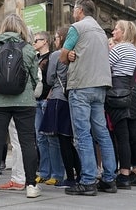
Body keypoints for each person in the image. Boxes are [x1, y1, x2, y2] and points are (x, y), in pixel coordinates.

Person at [59, 0, 116, 196]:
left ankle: (88, 180)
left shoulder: (76, 27)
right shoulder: (102, 31)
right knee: (102, 133)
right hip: (100, 86)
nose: (73, 12)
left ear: (80, 10)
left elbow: (62, 56)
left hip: (81, 85)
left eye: (74, 9)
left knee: (82, 134)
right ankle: (109, 179)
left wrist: (70, 54)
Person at [0, 14, 40, 199]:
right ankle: (30, 185)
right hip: (25, 102)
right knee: (28, 142)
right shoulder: (29, 49)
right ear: (21, 28)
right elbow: (35, 77)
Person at [105, 20, 136, 189]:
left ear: (123, 32)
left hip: (117, 93)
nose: (113, 31)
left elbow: (105, 67)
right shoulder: (134, 50)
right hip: (132, 94)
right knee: (135, 136)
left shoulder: (118, 48)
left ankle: (124, 175)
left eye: (116, 29)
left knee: (122, 137)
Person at [43, 26, 81, 188]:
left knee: (61, 140)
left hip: (57, 98)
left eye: (57, 37)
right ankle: (79, 173)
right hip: (70, 97)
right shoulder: (75, 54)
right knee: (68, 139)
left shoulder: (57, 55)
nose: (55, 41)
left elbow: (50, 79)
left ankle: (70, 177)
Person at [33, 31, 63, 185]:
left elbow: (52, 79)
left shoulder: (52, 56)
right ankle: (44, 172)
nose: (34, 43)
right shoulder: (34, 58)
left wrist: (48, 97)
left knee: (51, 137)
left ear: (45, 41)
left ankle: (57, 173)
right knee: (40, 138)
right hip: (36, 100)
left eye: (36, 40)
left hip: (47, 99)